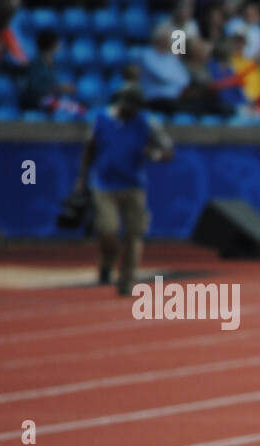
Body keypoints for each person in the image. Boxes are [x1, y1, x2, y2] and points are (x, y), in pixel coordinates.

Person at [74, 84, 174, 295]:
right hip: (104, 184)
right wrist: (82, 178)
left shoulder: (147, 123)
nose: (131, 112)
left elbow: (167, 150)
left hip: (133, 185)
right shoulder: (101, 119)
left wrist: (154, 154)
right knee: (107, 230)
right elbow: (90, 149)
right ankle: (108, 261)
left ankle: (126, 280)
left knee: (133, 235)